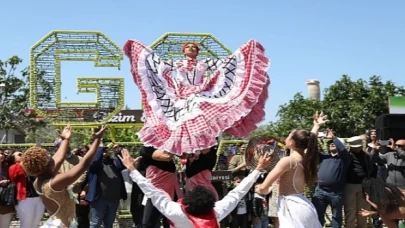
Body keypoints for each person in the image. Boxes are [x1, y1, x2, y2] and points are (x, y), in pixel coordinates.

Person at [123, 39, 270, 155]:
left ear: (198, 51)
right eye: (188, 47)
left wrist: (240, 55)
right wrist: (145, 55)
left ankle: (201, 145)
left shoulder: (204, 63)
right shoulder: (178, 63)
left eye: (194, 47)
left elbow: (223, 65)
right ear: (183, 51)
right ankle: (184, 146)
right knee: (178, 119)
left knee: (201, 109)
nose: (191, 49)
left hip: (200, 93)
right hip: (181, 95)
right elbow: (159, 66)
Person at [118, 149, 272, 228]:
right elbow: (238, 192)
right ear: (211, 203)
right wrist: (258, 169)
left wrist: (131, 168)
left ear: (187, 201)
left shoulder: (175, 211)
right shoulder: (217, 211)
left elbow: (150, 190)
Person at [20, 125, 107, 228]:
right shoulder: (55, 183)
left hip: (57, 223)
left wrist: (65, 139)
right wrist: (97, 140)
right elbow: (84, 164)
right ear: (47, 165)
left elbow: (60, 157)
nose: (53, 157)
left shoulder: (39, 180)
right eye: (49, 156)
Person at [255, 111, 328, 228]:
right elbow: (310, 140)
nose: (286, 137)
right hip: (303, 204)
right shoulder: (306, 158)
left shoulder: (288, 161)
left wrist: (259, 188)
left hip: (291, 208)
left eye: (289, 135)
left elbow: (264, 188)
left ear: (292, 142)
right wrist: (316, 126)